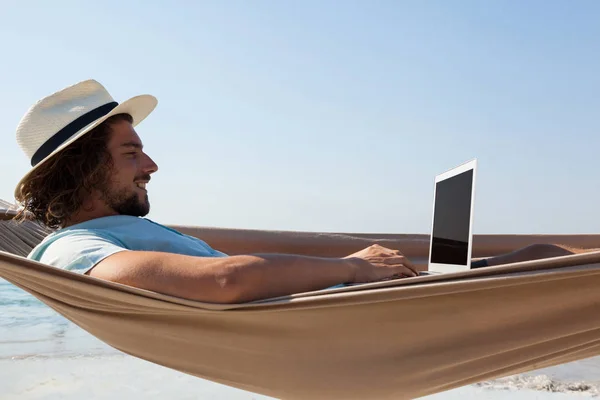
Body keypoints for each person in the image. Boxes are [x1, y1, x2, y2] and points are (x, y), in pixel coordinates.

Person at [12, 80, 587, 304]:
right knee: (555, 271)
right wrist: (354, 269)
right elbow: (226, 279)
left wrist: (369, 260)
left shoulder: (129, 233)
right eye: (132, 153)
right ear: (82, 171)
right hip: (353, 315)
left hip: (363, 300)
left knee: (540, 256)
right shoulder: (76, 252)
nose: (153, 165)